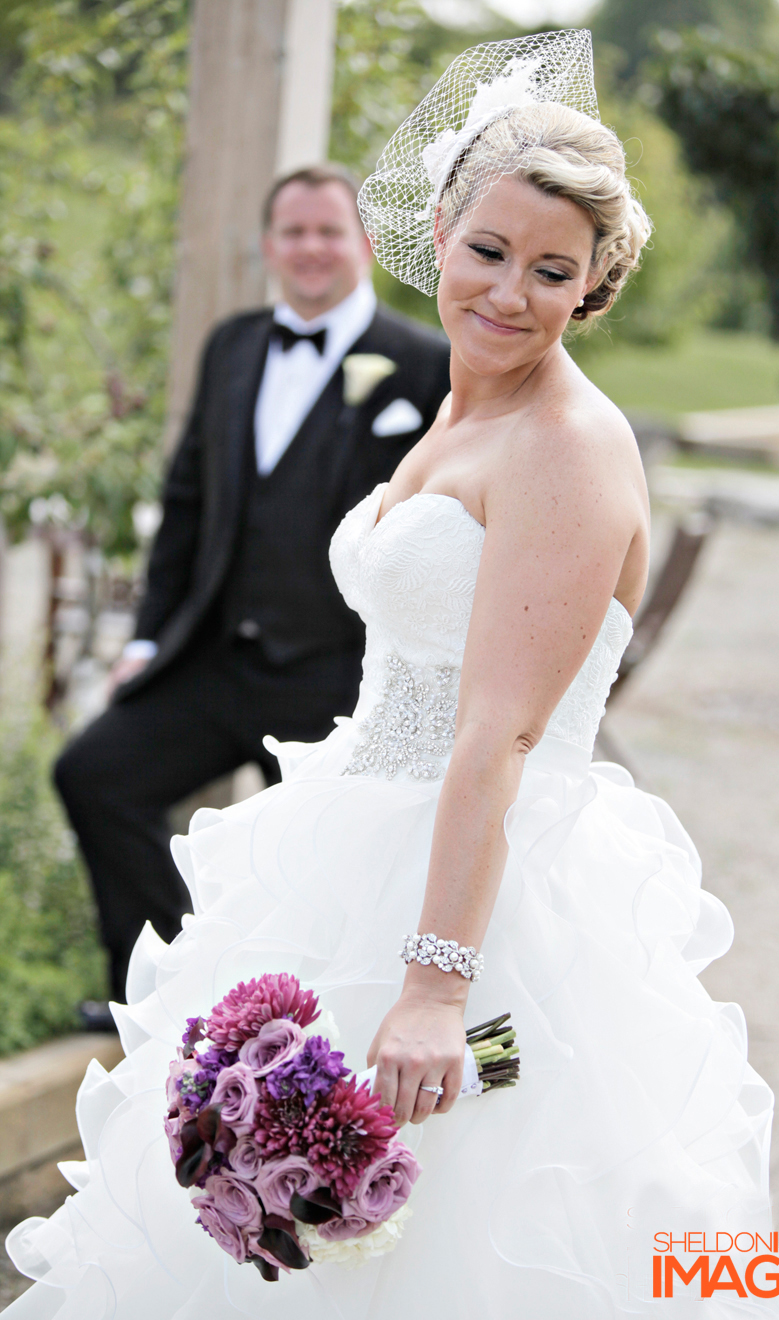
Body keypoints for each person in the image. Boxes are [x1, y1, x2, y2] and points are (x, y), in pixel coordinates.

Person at [8, 32, 779, 1319]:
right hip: (358, 818)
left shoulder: (566, 446)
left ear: (593, 287)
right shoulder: (465, 407)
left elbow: (499, 736)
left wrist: (435, 984)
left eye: (552, 271)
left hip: (480, 882)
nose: (510, 293)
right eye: (490, 251)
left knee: (469, 1236)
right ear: (439, 229)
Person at [53, 163, 450, 1007]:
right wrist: (148, 641)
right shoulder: (231, 344)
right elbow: (188, 502)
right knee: (95, 775)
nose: (311, 249)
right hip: (215, 658)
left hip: (337, 676)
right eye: (294, 233)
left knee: (324, 864)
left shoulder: (425, 364)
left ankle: (307, 1026)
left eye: (329, 231)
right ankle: (165, 993)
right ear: (270, 246)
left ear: (366, 244)